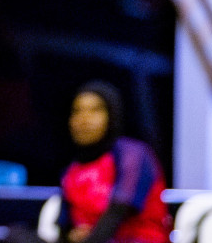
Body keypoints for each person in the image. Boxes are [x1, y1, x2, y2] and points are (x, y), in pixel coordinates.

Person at [56, 82, 170, 243]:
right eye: (77, 111)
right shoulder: (72, 170)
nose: (84, 119)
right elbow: (64, 226)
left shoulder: (132, 154)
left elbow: (118, 210)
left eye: (95, 110)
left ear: (112, 114)